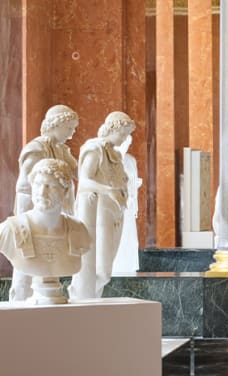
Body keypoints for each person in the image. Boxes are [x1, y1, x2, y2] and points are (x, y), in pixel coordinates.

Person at [10, 104, 80, 302]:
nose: (72, 133)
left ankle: (45, 294)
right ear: (56, 125)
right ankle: (20, 298)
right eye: (69, 128)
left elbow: (78, 172)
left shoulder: (62, 150)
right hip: (34, 208)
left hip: (54, 211)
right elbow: (26, 185)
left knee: (49, 254)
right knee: (27, 253)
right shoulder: (36, 149)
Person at [0, 159, 91, 305]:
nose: (42, 192)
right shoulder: (9, 230)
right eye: (37, 184)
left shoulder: (79, 230)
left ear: (66, 191)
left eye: (51, 186)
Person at [69, 111, 136, 301]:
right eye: (122, 134)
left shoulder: (114, 154)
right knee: (102, 270)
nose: (124, 139)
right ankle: (81, 297)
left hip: (115, 212)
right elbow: (84, 182)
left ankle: (91, 300)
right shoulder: (94, 150)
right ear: (112, 129)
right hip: (99, 212)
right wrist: (110, 191)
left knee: (106, 268)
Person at [112, 132, 142, 275]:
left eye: (129, 143)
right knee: (118, 236)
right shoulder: (108, 159)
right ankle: (117, 267)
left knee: (129, 236)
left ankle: (128, 266)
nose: (126, 145)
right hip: (115, 204)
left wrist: (134, 186)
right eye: (124, 142)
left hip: (129, 204)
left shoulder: (130, 160)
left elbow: (132, 178)